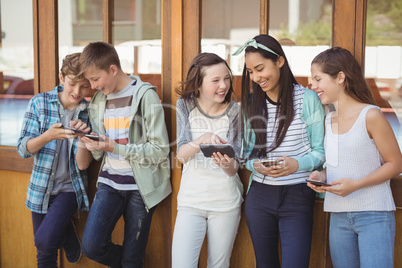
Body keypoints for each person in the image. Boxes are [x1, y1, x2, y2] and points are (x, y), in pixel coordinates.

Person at [75, 41, 172, 268]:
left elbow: (160, 150)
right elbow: (100, 155)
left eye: (95, 79)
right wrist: (88, 141)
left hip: (141, 188)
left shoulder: (145, 96)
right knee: (91, 246)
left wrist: (113, 147)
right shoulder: (98, 100)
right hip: (109, 183)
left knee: (132, 257)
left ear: (112, 69)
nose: (92, 86)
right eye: (89, 81)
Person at [234, 34, 325, 268]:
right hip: (260, 197)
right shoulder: (252, 104)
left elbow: (321, 151)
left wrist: (298, 164)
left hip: (298, 195)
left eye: (260, 68)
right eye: (250, 71)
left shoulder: (308, 99)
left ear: (280, 62)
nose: (255, 77)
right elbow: (246, 155)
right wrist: (255, 165)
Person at [307, 47, 402, 268]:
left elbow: (396, 163)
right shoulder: (329, 119)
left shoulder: (371, 115)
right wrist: (320, 175)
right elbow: (337, 165)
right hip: (339, 215)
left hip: (374, 215)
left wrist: (356, 185)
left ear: (340, 77)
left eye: (318, 79)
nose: (312, 85)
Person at [17, 52, 91, 267]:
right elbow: (23, 150)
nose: (77, 92)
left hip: (70, 189)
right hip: (40, 188)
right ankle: (68, 235)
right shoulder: (39, 103)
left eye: (84, 86)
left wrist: (84, 139)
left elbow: (83, 165)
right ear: (61, 78)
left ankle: (67, 235)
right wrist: (48, 136)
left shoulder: (89, 111)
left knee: (43, 241)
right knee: (44, 251)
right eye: (72, 84)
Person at [172, 52, 243, 268]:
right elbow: (181, 156)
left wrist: (227, 165)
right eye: (216, 80)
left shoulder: (235, 111)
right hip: (191, 201)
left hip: (225, 202)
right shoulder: (185, 106)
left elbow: (235, 166)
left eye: (227, 78)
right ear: (198, 84)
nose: (224, 85)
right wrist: (201, 141)